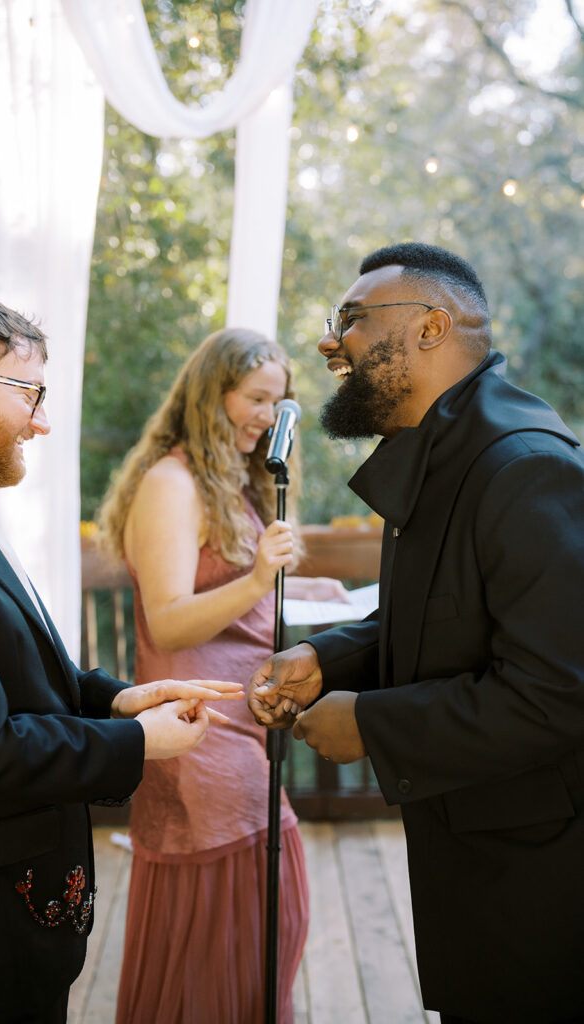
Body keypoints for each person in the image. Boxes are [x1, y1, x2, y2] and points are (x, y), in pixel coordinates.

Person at [249, 243, 584, 1024]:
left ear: (432, 327)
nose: (332, 343)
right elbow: (442, 616)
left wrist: (370, 723)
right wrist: (325, 660)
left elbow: (556, 692)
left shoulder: (522, 465)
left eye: (352, 321)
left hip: (538, 874)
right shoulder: (444, 449)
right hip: (472, 841)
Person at [0, 285, 243, 1024]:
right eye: (30, 392)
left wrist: (120, 699)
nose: (44, 420)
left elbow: (7, 675)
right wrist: (136, 743)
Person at [98, 327, 347, 1024]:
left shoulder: (228, 484)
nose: (270, 417)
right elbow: (172, 619)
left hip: (245, 722)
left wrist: (308, 591)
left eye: (280, 402)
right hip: (201, 733)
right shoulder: (172, 483)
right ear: (213, 395)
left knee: (268, 923)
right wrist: (262, 575)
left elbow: (235, 597)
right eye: (257, 398)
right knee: (218, 935)